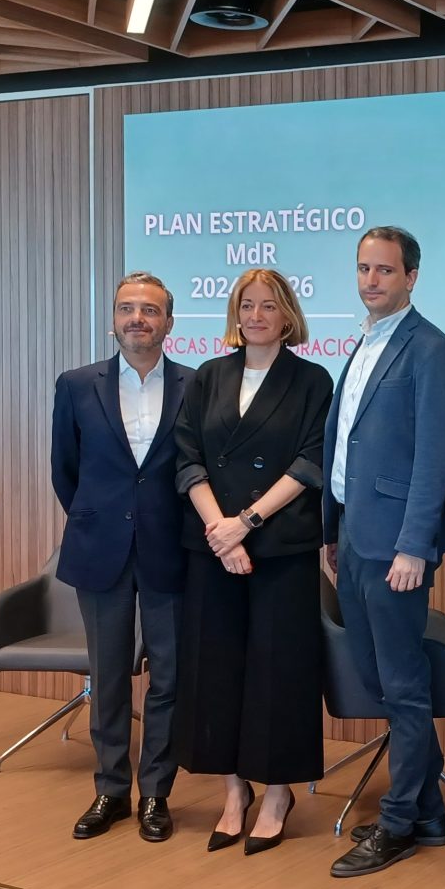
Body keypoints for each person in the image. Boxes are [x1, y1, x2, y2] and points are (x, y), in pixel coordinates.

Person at [171, 269, 334, 856]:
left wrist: (246, 523)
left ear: (288, 314)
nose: (256, 316)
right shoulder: (209, 375)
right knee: (215, 670)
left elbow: (311, 462)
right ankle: (234, 791)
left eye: (268, 305)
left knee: (279, 672)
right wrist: (221, 530)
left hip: (280, 546)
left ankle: (277, 794)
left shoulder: (312, 380)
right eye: (247, 305)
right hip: (212, 547)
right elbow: (187, 457)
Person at [322, 226, 445, 879]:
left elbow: (435, 457)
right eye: (363, 269)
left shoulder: (429, 347)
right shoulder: (365, 341)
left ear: (411, 277)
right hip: (353, 536)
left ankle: (399, 821)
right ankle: (429, 811)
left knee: (402, 686)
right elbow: (346, 442)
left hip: (395, 545)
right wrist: (332, 531)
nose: (371, 280)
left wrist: (413, 546)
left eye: (384, 270)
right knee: (379, 679)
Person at [50, 272, 192, 843]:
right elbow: (65, 470)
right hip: (100, 549)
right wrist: (99, 517)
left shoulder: (195, 385)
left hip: (171, 551)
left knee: (169, 678)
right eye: (127, 308)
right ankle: (110, 790)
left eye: (150, 310)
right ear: (113, 320)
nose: (138, 318)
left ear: (169, 322)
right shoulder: (76, 384)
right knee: (107, 676)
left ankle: (156, 792)